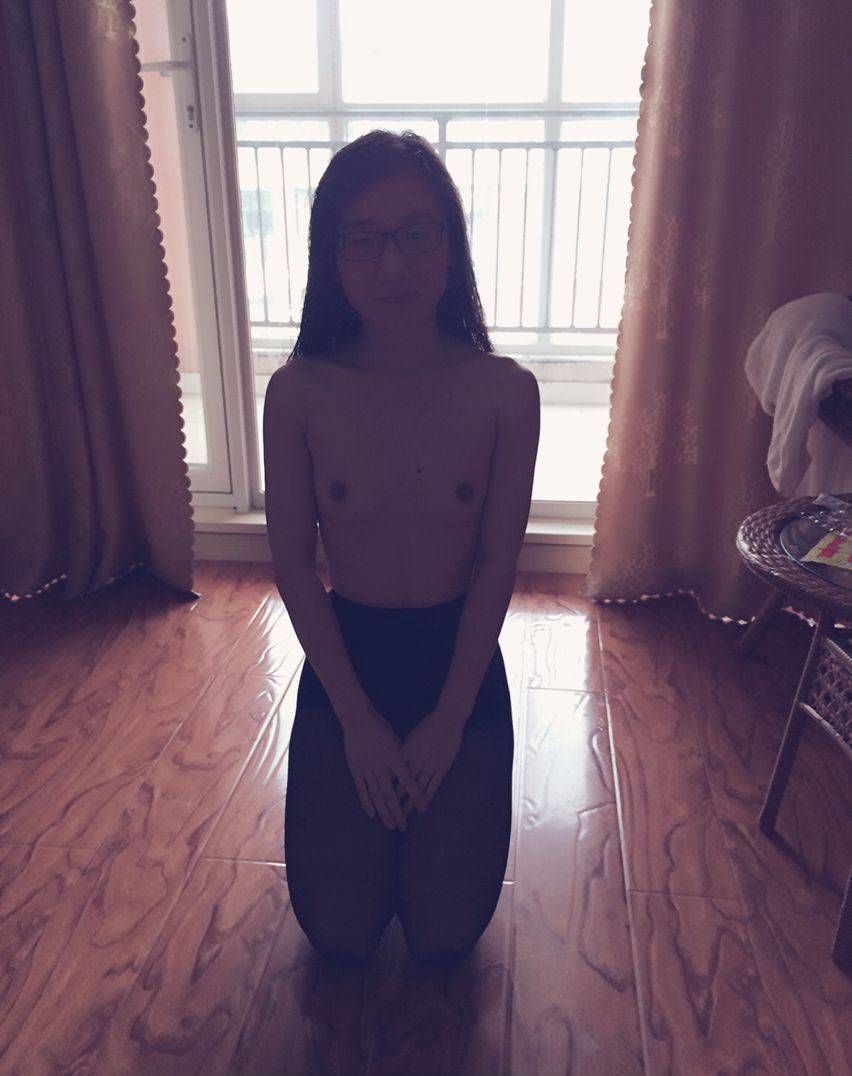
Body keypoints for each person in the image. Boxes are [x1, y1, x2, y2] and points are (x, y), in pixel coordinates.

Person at [262, 130, 540, 966]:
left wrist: (451, 718)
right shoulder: (297, 393)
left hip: (458, 659)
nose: (393, 265)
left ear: (451, 246)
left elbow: (495, 564)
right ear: (332, 256)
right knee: (339, 933)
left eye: (418, 234)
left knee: (445, 940)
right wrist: (355, 721)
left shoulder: (506, 393)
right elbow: (293, 567)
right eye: (364, 239)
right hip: (349, 657)